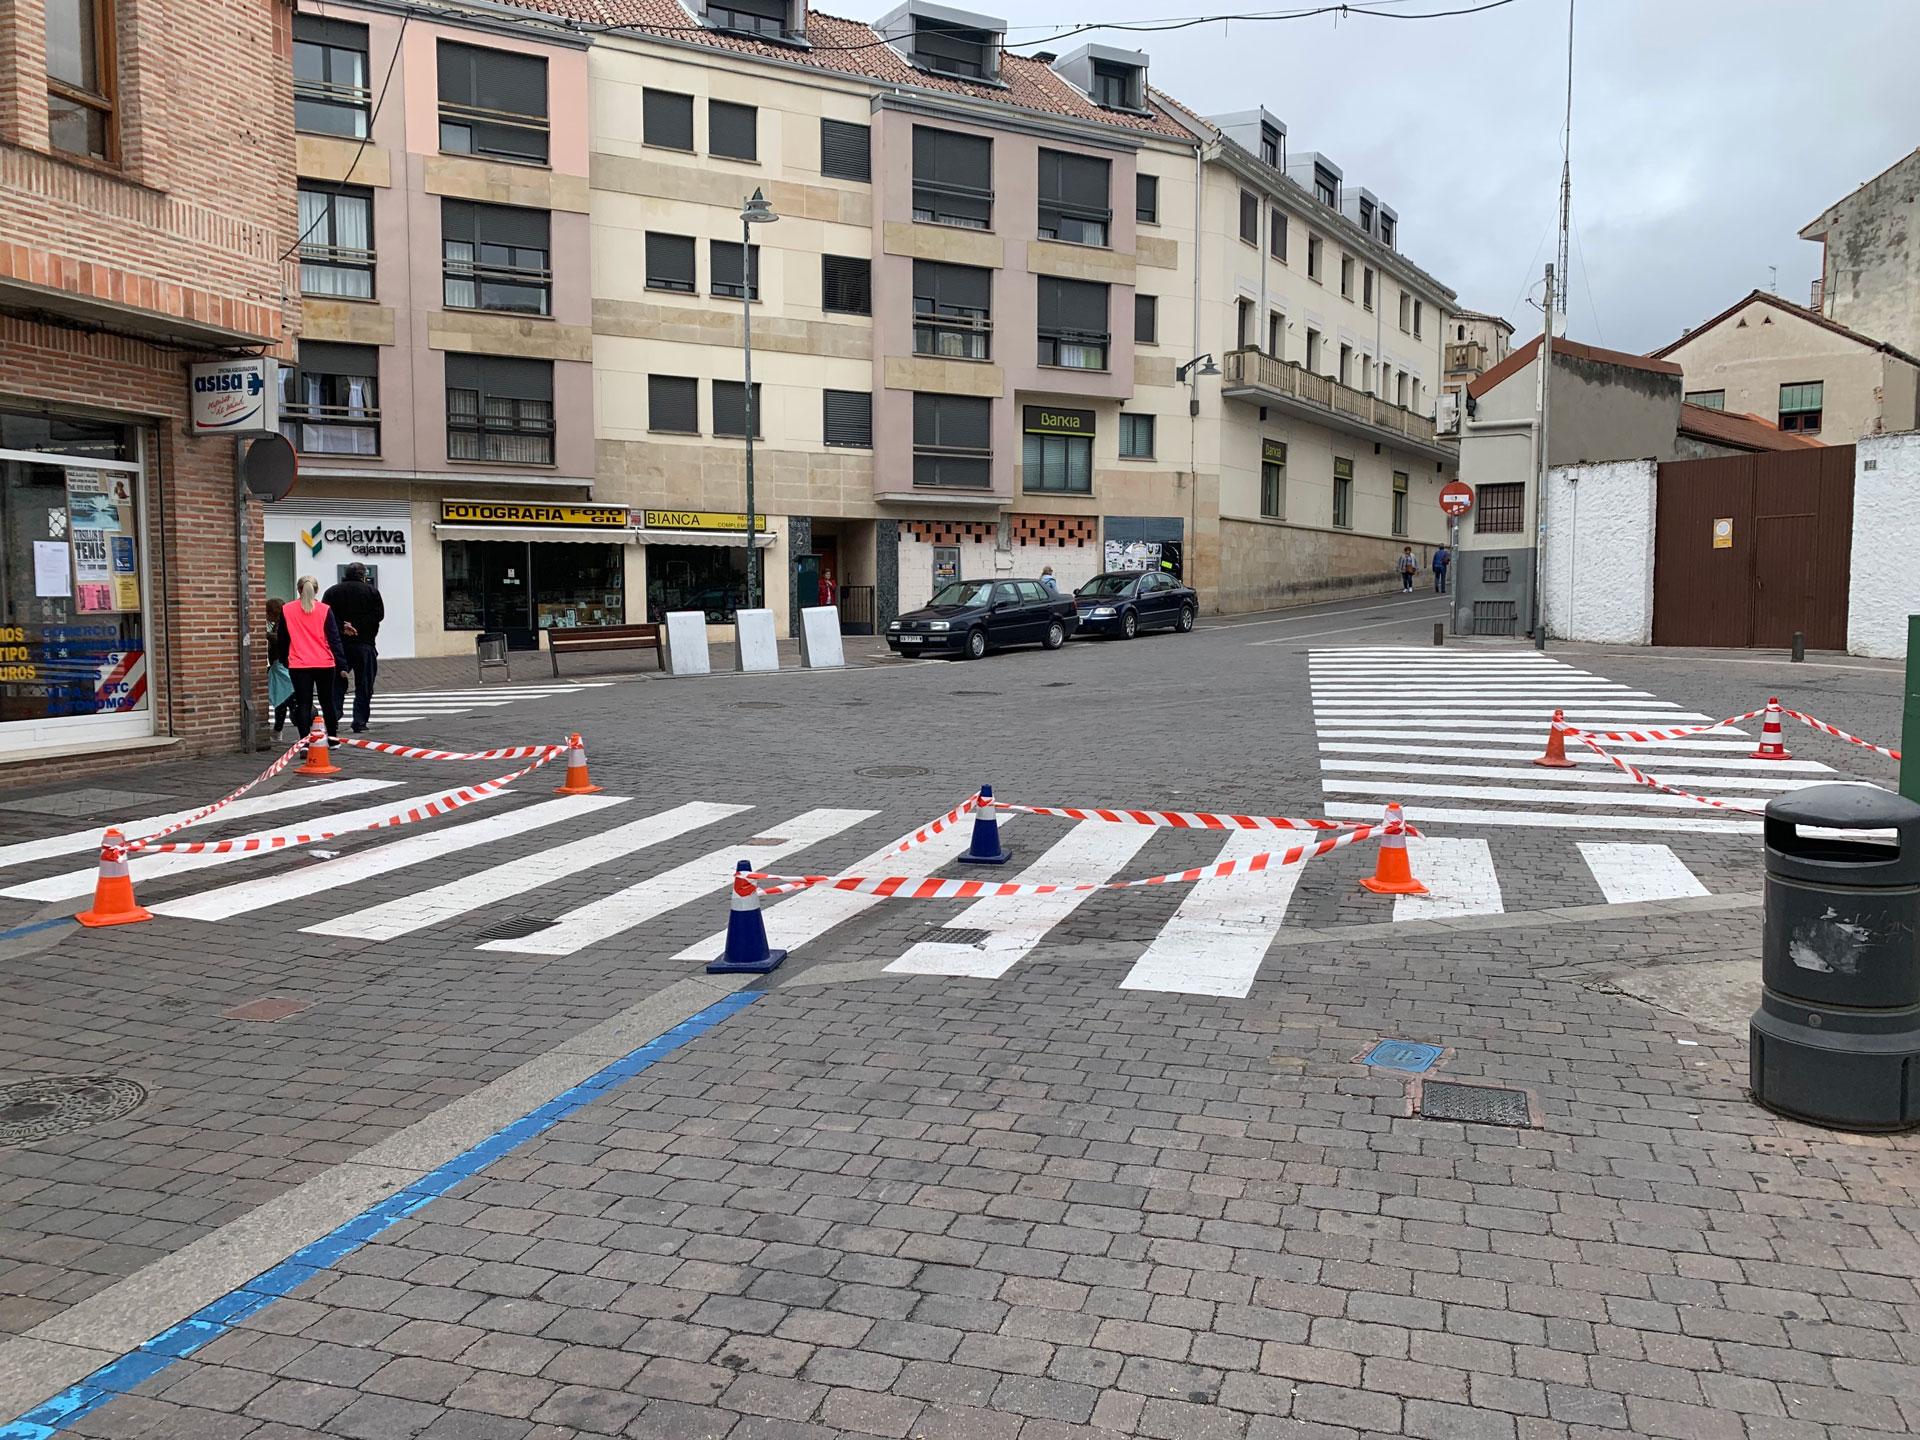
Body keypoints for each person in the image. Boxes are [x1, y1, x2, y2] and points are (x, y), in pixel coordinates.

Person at [323, 562, 385, 733]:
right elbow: (378, 615)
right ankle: (359, 721)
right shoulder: (372, 592)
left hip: (339, 645)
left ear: (346, 574)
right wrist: (357, 625)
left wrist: (342, 626)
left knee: (336, 684)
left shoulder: (332, 592)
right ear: (363, 576)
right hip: (364, 643)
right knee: (364, 685)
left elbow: (325, 615)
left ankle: (334, 717)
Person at [284, 575, 346, 742]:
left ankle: (304, 741)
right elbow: (334, 638)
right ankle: (332, 739)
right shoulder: (325, 610)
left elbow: (283, 638)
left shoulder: (287, 610)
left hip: (298, 663)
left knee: (304, 703)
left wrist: (284, 660)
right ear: (316, 590)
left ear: (298, 589)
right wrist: (342, 663)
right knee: (327, 702)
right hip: (324, 662)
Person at [265, 597, 293, 740]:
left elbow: (280, 639)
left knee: (286, 698)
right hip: (282, 666)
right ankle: (277, 730)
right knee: (282, 699)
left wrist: (265, 635)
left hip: (281, 666)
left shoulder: (283, 625)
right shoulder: (285, 622)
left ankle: (278, 730)